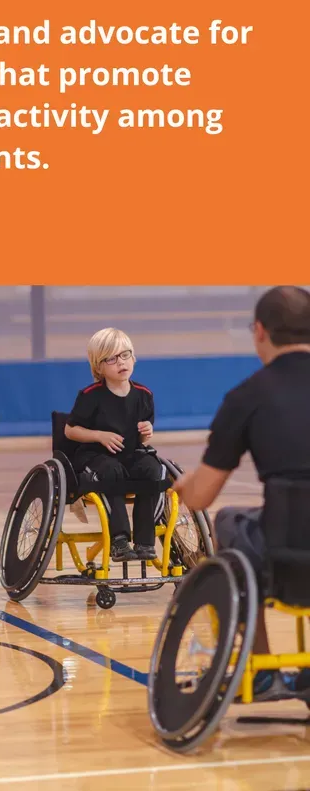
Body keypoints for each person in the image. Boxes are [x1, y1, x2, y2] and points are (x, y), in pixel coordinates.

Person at [173, 285, 310, 699]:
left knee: (228, 520)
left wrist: (185, 487)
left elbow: (200, 497)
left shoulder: (247, 396)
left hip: (287, 559)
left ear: (260, 331)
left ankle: (262, 671)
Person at [65, 328, 169, 562]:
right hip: (95, 457)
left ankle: (144, 540)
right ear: (98, 367)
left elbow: (143, 439)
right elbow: (70, 430)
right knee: (111, 472)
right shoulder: (90, 395)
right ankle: (119, 540)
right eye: (111, 359)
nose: (120, 362)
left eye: (124, 355)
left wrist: (147, 432)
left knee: (154, 470)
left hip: (129, 454)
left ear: (133, 357)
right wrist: (99, 436)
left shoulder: (144, 394)